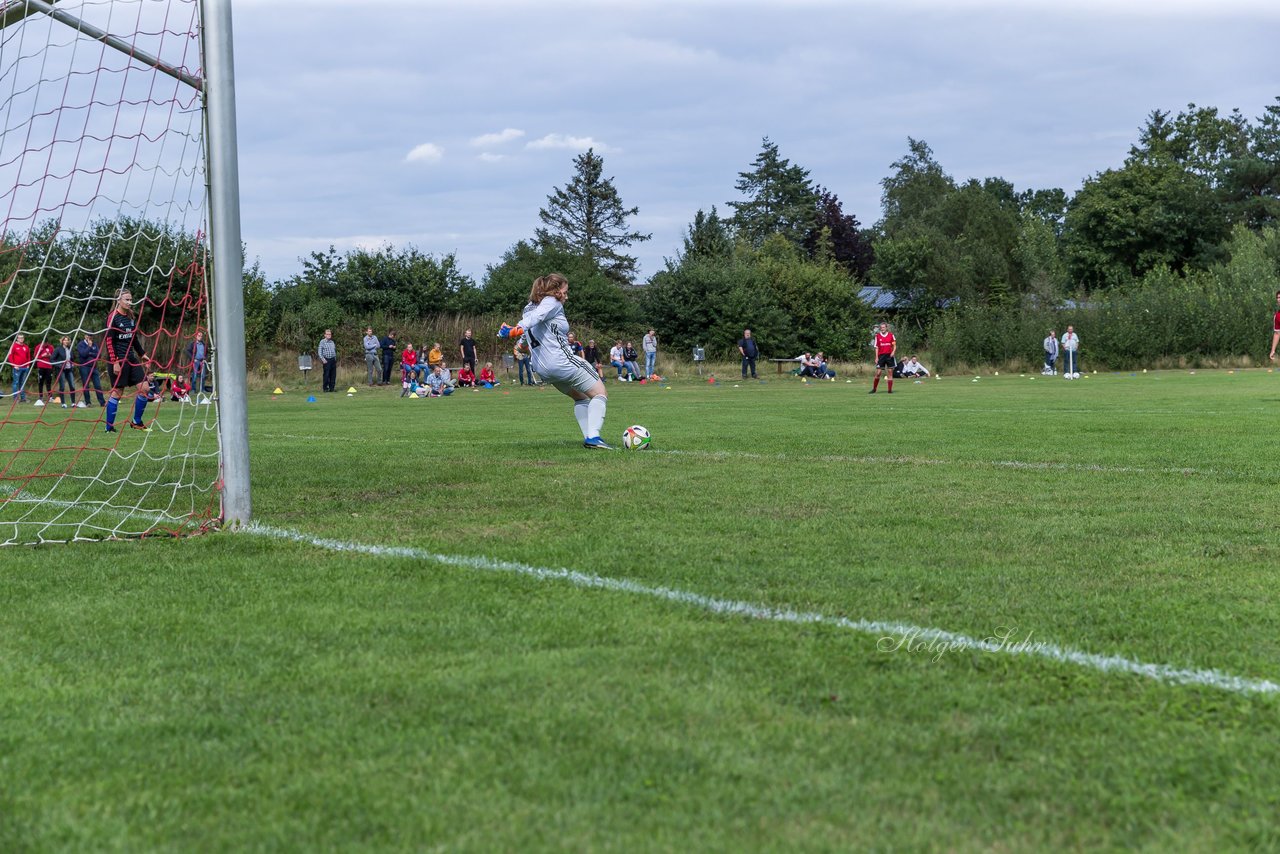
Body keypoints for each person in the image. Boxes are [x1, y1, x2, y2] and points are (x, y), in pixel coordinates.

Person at [498, 273, 613, 449]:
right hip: (561, 362)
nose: (566, 296)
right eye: (565, 291)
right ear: (554, 291)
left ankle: (589, 438)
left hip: (542, 369)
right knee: (600, 393)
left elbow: (531, 327)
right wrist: (515, 330)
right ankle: (594, 437)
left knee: (580, 397)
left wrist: (520, 343)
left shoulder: (528, 308)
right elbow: (534, 320)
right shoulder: (552, 302)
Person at [104, 288, 153, 431]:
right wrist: (115, 362)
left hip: (131, 358)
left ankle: (136, 422)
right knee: (117, 393)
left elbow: (134, 338)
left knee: (144, 388)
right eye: (127, 299)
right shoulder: (113, 317)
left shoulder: (130, 317)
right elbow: (109, 341)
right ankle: (109, 427)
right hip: (118, 360)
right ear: (118, 300)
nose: (130, 302)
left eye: (131, 299)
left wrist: (142, 353)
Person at [76, 332, 105, 407]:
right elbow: (83, 354)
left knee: (98, 385)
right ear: (85, 336)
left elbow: (98, 355)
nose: (90, 337)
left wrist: (90, 353)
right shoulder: (80, 344)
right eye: (88, 335)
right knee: (86, 386)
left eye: (91, 335)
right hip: (84, 367)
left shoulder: (95, 344)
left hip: (94, 367)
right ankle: (88, 402)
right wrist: (89, 347)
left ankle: (102, 402)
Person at [869, 322, 896, 394]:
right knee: (878, 373)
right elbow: (876, 347)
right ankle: (874, 389)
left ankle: (890, 390)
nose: (882, 329)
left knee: (890, 372)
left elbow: (894, 345)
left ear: (886, 328)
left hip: (889, 356)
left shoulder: (891, 335)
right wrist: (876, 357)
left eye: (883, 327)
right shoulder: (877, 336)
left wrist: (893, 351)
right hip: (881, 356)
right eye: (881, 328)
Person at [52, 336, 77, 407]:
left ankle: (73, 403)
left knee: (72, 386)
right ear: (62, 341)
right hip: (61, 370)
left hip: (69, 370)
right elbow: (52, 359)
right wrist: (59, 365)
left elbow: (72, 359)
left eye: (67, 340)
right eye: (65, 340)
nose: (66, 341)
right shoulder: (58, 349)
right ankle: (63, 403)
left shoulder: (70, 349)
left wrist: (72, 364)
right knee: (62, 386)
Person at [7, 333, 31, 402]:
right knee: (16, 383)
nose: (21, 339)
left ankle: (23, 398)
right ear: (17, 339)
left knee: (22, 383)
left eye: (22, 338)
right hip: (17, 368)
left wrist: (28, 365)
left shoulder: (26, 347)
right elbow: (10, 356)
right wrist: (14, 365)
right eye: (20, 338)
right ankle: (15, 398)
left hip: (25, 368)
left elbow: (28, 356)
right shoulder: (14, 346)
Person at [186, 329, 209, 396]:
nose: (200, 337)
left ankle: (202, 389)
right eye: (199, 336)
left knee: (203, 376)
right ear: (196, 336)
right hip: (196, 361)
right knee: (195, 376)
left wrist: (205, 359)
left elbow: (207, 352)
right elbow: (187, 351)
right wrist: (193, 359)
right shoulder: (192, 344)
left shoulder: (204, 344)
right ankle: (193, 389)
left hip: (203, 361)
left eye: (201, 336)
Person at [33, 339, 54, 406]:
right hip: (41, 366)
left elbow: (54, 357)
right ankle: (41, 397)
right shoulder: (38, 347)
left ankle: (50, 397)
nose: (45, 344)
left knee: (49, 382)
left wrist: (50, 355)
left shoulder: (51, 347)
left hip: (49, 366)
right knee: (40, 382)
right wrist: (42, 355)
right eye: (44, 343)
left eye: (46, 343)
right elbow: (35, 357)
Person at [317, 328, 337, 392]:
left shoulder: (332, 342)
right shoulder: (322, 342)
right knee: (326, 375)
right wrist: (323, 359)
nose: (329, 335)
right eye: (327, 334)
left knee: (333, 375)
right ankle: (325, 388)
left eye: (330, 334)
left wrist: (335, 358)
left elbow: (334, 351)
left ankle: (332, 388)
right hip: (326, 360)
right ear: (325, 335)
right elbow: (319, 352)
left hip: (333, 360)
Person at [1270, 291, 1280, 362]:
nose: (1279, 299)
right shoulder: (1277, 316)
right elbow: (1277, 333)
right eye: (1278, 298)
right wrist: (1273, 350)